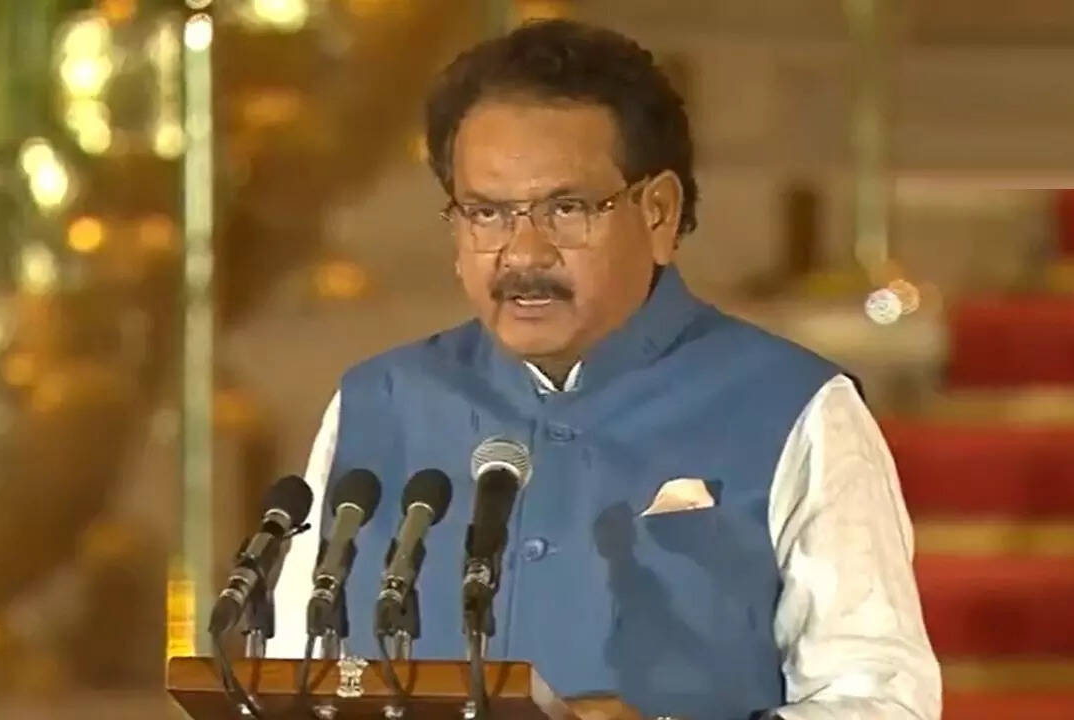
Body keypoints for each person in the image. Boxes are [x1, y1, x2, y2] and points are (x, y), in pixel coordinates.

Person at [271, 18, 941, 720]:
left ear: (659, 212)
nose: (523, 254)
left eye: (566, 209)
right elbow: (290, 677)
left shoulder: (794, 409)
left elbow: (879, 703)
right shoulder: (380, 402)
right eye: (486, 213)